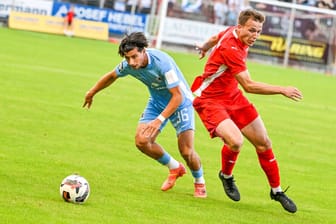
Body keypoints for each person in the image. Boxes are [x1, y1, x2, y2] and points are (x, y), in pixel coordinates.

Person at [191, 9, 303, 212]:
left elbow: (215, 36)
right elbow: (249, 85)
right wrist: (282, 89)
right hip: (210, 99)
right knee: (236, 142)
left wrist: (204, 47)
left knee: (263, 142)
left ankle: (276, 191)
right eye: (252, 30)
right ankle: (226, 176)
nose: (255, 36)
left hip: (233, 96)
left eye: (259, 31)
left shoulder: (234, 31)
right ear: (241, 27)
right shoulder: (230, 48)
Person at [83, 32, 207, 198]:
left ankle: (199, 182)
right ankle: (175, 167)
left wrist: (159, 120)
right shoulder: (128, 64)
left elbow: (177, 96)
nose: (131, 63)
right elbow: (112, 75)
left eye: (135, 57)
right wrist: (92, 92)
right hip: (156, 102)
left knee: (186, 151)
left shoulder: (163, 63)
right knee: (142, 141)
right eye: (128, 58)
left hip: (180, 103)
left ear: (144, 51)